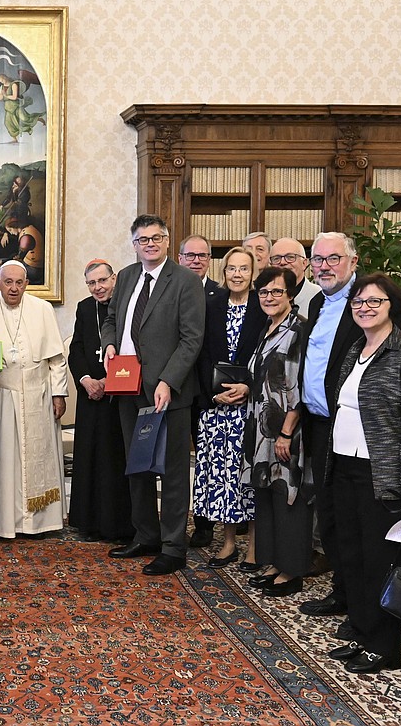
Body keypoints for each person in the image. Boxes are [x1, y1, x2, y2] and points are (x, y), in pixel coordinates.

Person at [298, 232, 401, 637]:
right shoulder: (318, 302)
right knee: (336, 521)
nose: (324, 266)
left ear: (353, 260)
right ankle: (347, 596)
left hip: (369, 439)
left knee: (372, 536)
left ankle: (373, 617)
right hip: (324, 428)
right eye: (317, 259)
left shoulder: (379, 303)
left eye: (333, 258)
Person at [326, 273, 401, 673]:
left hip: (383, 473)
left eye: (375, 301)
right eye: (358, 302)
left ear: (393, 307)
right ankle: (359, 630)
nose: (364, 308)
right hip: (344, 464)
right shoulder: (356, 349)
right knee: (351, 556)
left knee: (381, 562)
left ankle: (384, 648)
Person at [101, 214, 205, 576]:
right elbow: (111, 319)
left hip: (168, 393)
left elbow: (192, 339)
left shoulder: (186, 281)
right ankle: (146, 535)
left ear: (166, 240)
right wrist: (109, 345)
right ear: (134, 244)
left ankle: (174, 546)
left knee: (173, 471)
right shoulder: (127, 276)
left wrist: (168, 380)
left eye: (156, 238)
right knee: (137, 465)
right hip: (127, 386)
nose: (149, 244)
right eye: (142, 239)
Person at [0, 261, 68, 537]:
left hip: (38, 397)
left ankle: (40, 523)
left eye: (19, 283)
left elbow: (57, 360)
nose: (13, 288)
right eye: (8, 282)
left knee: (40, 460)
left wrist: (59, 393)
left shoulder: (43, 309)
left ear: (26, 284)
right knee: (1, 462)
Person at [239, 267, 310, 597]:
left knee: (287, 496)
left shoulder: (298, 331)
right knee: (266, 494)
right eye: (263, 292)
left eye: (276, 292)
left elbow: (299, 387)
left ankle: (291, 570)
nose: (268, 298)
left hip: (284, 431)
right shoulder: (268, 328)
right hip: (261, 428)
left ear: (290, 295)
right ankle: (273, 562)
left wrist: (286, 433)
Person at [193, 248, 264, 568]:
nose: (237, 274)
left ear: (253, 274)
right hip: (217, 408)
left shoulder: (263, 307)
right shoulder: (211, 306)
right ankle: (228, 542)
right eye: (232, 268)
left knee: (249, 479)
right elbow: (201, 354)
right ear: (224, 272)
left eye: (244, 269)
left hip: (250, 408)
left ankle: (254, 546)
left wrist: (248, 387)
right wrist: (212, 394)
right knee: (223, 479)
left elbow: (268, 357)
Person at [67, 260, 133, 543]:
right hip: (90, 394)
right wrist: (84, 379)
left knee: (115, 457)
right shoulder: (84, 307)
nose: (98, 288)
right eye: (92, 283)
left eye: (102, 281)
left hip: (120, 394)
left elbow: (132, 347)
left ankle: (117, 525)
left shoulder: (127, 304)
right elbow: (76, 348)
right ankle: (88, 523)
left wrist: (111, 382)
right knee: (89, 455)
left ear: (114, 279)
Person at [178, 233, 221, 549]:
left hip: (207, 394)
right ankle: (173, 523)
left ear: (209, 260)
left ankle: (204, 525)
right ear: (180, 258)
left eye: (201, 255)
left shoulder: (220, 296)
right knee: (174, 461)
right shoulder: (170, 290)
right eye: (190, 255)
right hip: (175, 388)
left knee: (205, 463)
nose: (195, 260)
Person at [269, 238, 320, 320]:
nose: (282, 262)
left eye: (290, 257)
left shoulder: (319, 296)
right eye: (276, 258)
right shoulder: (265, 298)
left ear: (304, 263)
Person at [0, 74, 45, 142]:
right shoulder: (2, 87)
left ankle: (38, 119)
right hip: (8, 107)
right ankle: (14, 139)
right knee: (8, 123)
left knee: (24, 118)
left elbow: (14, 97)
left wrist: (5, 96)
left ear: (6, 77)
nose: (2, 82)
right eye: (1, 81)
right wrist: (2, 95)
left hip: (16, 106)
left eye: (3, 80)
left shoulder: (13, 85)